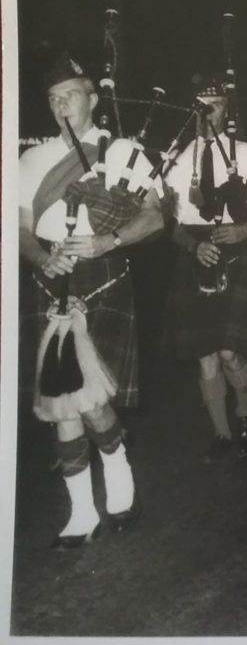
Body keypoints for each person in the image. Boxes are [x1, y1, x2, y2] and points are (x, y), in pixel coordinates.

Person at [19, 53, 163, 547]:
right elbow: (17, 228)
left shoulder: (121, 151)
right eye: (54, 99)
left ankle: (118, 472)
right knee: (62, 404)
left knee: (95, 402)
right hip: (50, 279)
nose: (62, 106)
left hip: (103, 275)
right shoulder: (30, 159)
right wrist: (41, 258)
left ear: (92, 99)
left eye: (71, 96)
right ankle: (82, 511)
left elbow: (155, 218)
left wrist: (110, 240)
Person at [163, 74, 247, 460]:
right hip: (195, 252)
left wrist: (245, 229)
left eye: (215, 103)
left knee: (228, 353)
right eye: (200, 104)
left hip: (238, 253)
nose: (207, 111)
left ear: (227, 108)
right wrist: (192, 245)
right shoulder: (176, 158)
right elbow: (167, 225)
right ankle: (221, 434)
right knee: (205, 354)